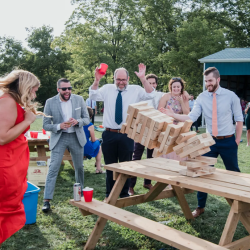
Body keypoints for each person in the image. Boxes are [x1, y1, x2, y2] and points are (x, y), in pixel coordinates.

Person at [160, 67, 243, 218]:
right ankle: (200, 207)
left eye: (210, 81)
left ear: (218, 80)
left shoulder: (231, 96)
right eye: (206, 82)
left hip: (228, 141)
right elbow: (191, 117)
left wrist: (237, 140)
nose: (207, 84)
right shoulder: (202, 97)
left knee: (234, 173)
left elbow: (239, 119)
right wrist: (172, 115)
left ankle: (240, 204)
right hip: (209, 141)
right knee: (202, 172)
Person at [89, 63, 155, 200]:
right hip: (109, 134)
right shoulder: (107, 88)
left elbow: (151, 95)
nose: (121, 82)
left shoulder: (136, 89)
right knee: (110, 166)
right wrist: (96, 80)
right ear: (114, 78)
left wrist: (143, 78)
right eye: (118, 79)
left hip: (127, 134)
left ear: (128, 79)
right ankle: (110, 194)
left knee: (125, 167)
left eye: (124, 79)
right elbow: (93, 95)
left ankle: (124, 194)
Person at [0, 70, 40, 245]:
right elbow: (2, 137)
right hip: (5, 167)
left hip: (12, 166)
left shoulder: (11, 102)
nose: (35, 94)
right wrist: (27, 121)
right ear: (26, 87)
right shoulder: (7, 102)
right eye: (34, 90)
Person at [42, 78, 89, 213]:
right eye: (64, 89)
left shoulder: (79, 99)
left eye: (69, 88)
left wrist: (77, 121)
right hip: (59, 137)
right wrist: (58, 126)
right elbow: (45, 124)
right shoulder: (50, 102)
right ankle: (46, 200)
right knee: (53, 168)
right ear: (58, 90)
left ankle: (79, 195)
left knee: (79, 167)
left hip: (76, 137)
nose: (67, 91)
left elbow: (86, 119)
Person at [129, 74, 163, 196]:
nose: (152, 85)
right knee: (136, 156)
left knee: (151, 157)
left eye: (154, 83)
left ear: (156, 84)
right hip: (141, 129)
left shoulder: (160, 95)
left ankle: (147, 182)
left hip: (154, 130)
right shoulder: (140, 95)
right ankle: (131, 185)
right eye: (149, 83)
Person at [157, 77, 190, 160]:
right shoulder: (166, 96)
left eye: (178, 87)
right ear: (170, 87)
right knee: (167, 150)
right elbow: (159, 111)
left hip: (180, 127)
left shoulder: (184, 97)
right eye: (174, 87)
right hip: (167, 127)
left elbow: (187, 114)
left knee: (178, 150)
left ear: (181, 87)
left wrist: (182, 102)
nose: (176, 88)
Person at [84, 106, 104, 173]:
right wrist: (97, 139)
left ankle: (98, 165)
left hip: (77, 147)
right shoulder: (90, 125)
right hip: (86, 148)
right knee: (99, 146)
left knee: (97, 144)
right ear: (91, 116)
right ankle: (98, 168)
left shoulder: (77, 124)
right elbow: (93, 140)